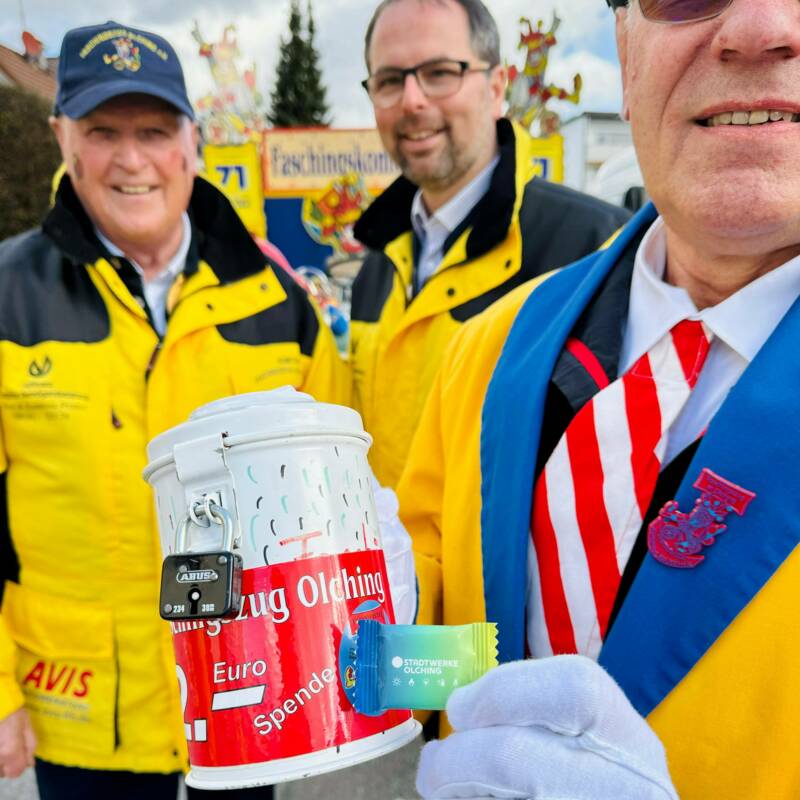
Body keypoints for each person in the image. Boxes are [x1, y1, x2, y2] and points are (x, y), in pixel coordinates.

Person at [400, 0, 800, 797]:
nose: (760, 27)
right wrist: (328, 647)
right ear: (625, 48)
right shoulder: (487, 351)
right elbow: (446, 659)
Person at [0, 20, 347, 800]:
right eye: (102, 131)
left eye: (154, 131)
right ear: (63, 138)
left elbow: (333, 513)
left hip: (246, 700)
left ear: (192, 142)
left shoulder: (278, 303)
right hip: (82, 719)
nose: (131, 159)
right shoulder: (7, 297)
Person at [349, 0, 629, 489]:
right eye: (390, 80)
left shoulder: (596, 248)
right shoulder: (377, 266)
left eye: (440, 72)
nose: (412, 100)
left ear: (497, 87)